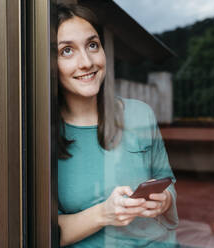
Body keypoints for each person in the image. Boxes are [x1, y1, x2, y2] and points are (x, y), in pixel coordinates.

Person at [57, 4, 179, 247]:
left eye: (93, 45)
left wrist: (164, 199)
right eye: (67, 51)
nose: (86, 62)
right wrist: (104, 213)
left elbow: (167, 181)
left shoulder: (140, 114)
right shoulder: (38, 133)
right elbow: (41, 232)